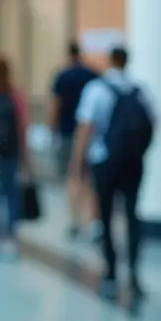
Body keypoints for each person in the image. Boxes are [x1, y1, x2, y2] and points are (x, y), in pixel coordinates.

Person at [71, 46, 157, 298]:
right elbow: (153, 123)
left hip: (104, 160)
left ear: (110, 61)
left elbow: (86, 126)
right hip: (133, 161)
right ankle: (134, 271)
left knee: (106, 214)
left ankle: (110, 268)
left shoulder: (97, 89)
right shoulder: (140, 91)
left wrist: (77, 161)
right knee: (132, 213)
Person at [0, 55, 32, 257]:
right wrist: (25, 154)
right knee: (12, 194)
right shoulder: (16, 95)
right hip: (11, 151)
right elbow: (22, 127)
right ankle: (10, 236)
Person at [48, 42, 98, 239]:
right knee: (90, 179)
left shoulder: (62, 76)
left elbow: (54, 105)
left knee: (72, 176)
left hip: (67, 133)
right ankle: (92, 221)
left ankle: (74, 221)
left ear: (68, 55)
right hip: (92, 134)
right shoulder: (92, 75)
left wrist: (50, 129)